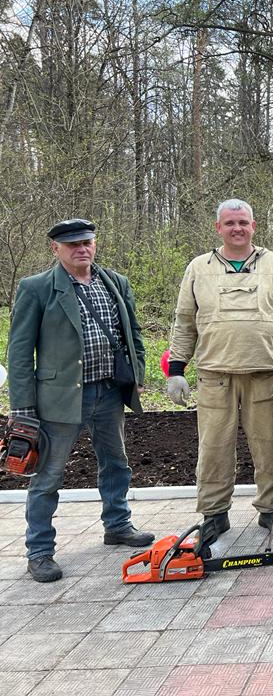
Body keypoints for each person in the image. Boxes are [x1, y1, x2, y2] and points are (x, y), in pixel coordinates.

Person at [7, 219, 153, 582]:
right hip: (59, 398)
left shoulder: (114, 282)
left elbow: (131, 332)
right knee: (48, 476)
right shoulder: (36, 288)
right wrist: (22, 408)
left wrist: (137, 373)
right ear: (55, 249)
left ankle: (117, 525)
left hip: (108, 391)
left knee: (116, 463)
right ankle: (39, 551)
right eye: (72, 245)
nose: (81, 249)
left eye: (86, 242)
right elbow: (20, 352)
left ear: (95, 243)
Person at [166, 199, 273, 542]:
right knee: (214, 447)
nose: (237, 228)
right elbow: (183, 321)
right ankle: (214, 513)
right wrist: (176, 368)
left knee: (268, 444)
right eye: (230, 223)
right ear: (218, 228)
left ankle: (271, 510)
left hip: (263, 372)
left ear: (254, 226)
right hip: (214, 374)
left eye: (243, 222)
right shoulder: (199, 268)